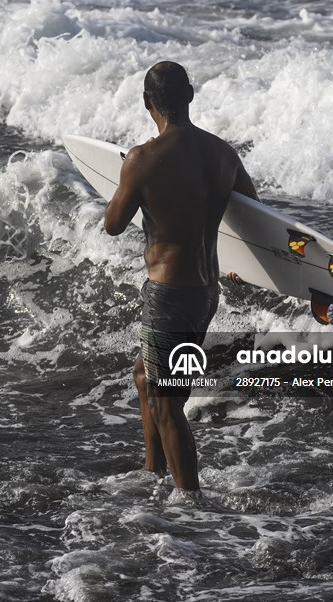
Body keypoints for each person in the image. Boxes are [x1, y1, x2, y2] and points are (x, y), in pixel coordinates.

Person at [104, 61, 259, 497]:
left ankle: (190, 501)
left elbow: (114, 224)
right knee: (145, 375)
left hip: (169, 294)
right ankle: (153, 472)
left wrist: (128, 178)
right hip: (206, 292)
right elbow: (254, 218)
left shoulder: (142, 159)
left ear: (146, 103)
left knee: (166, 398)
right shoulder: (223, 153)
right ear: (190, 95)